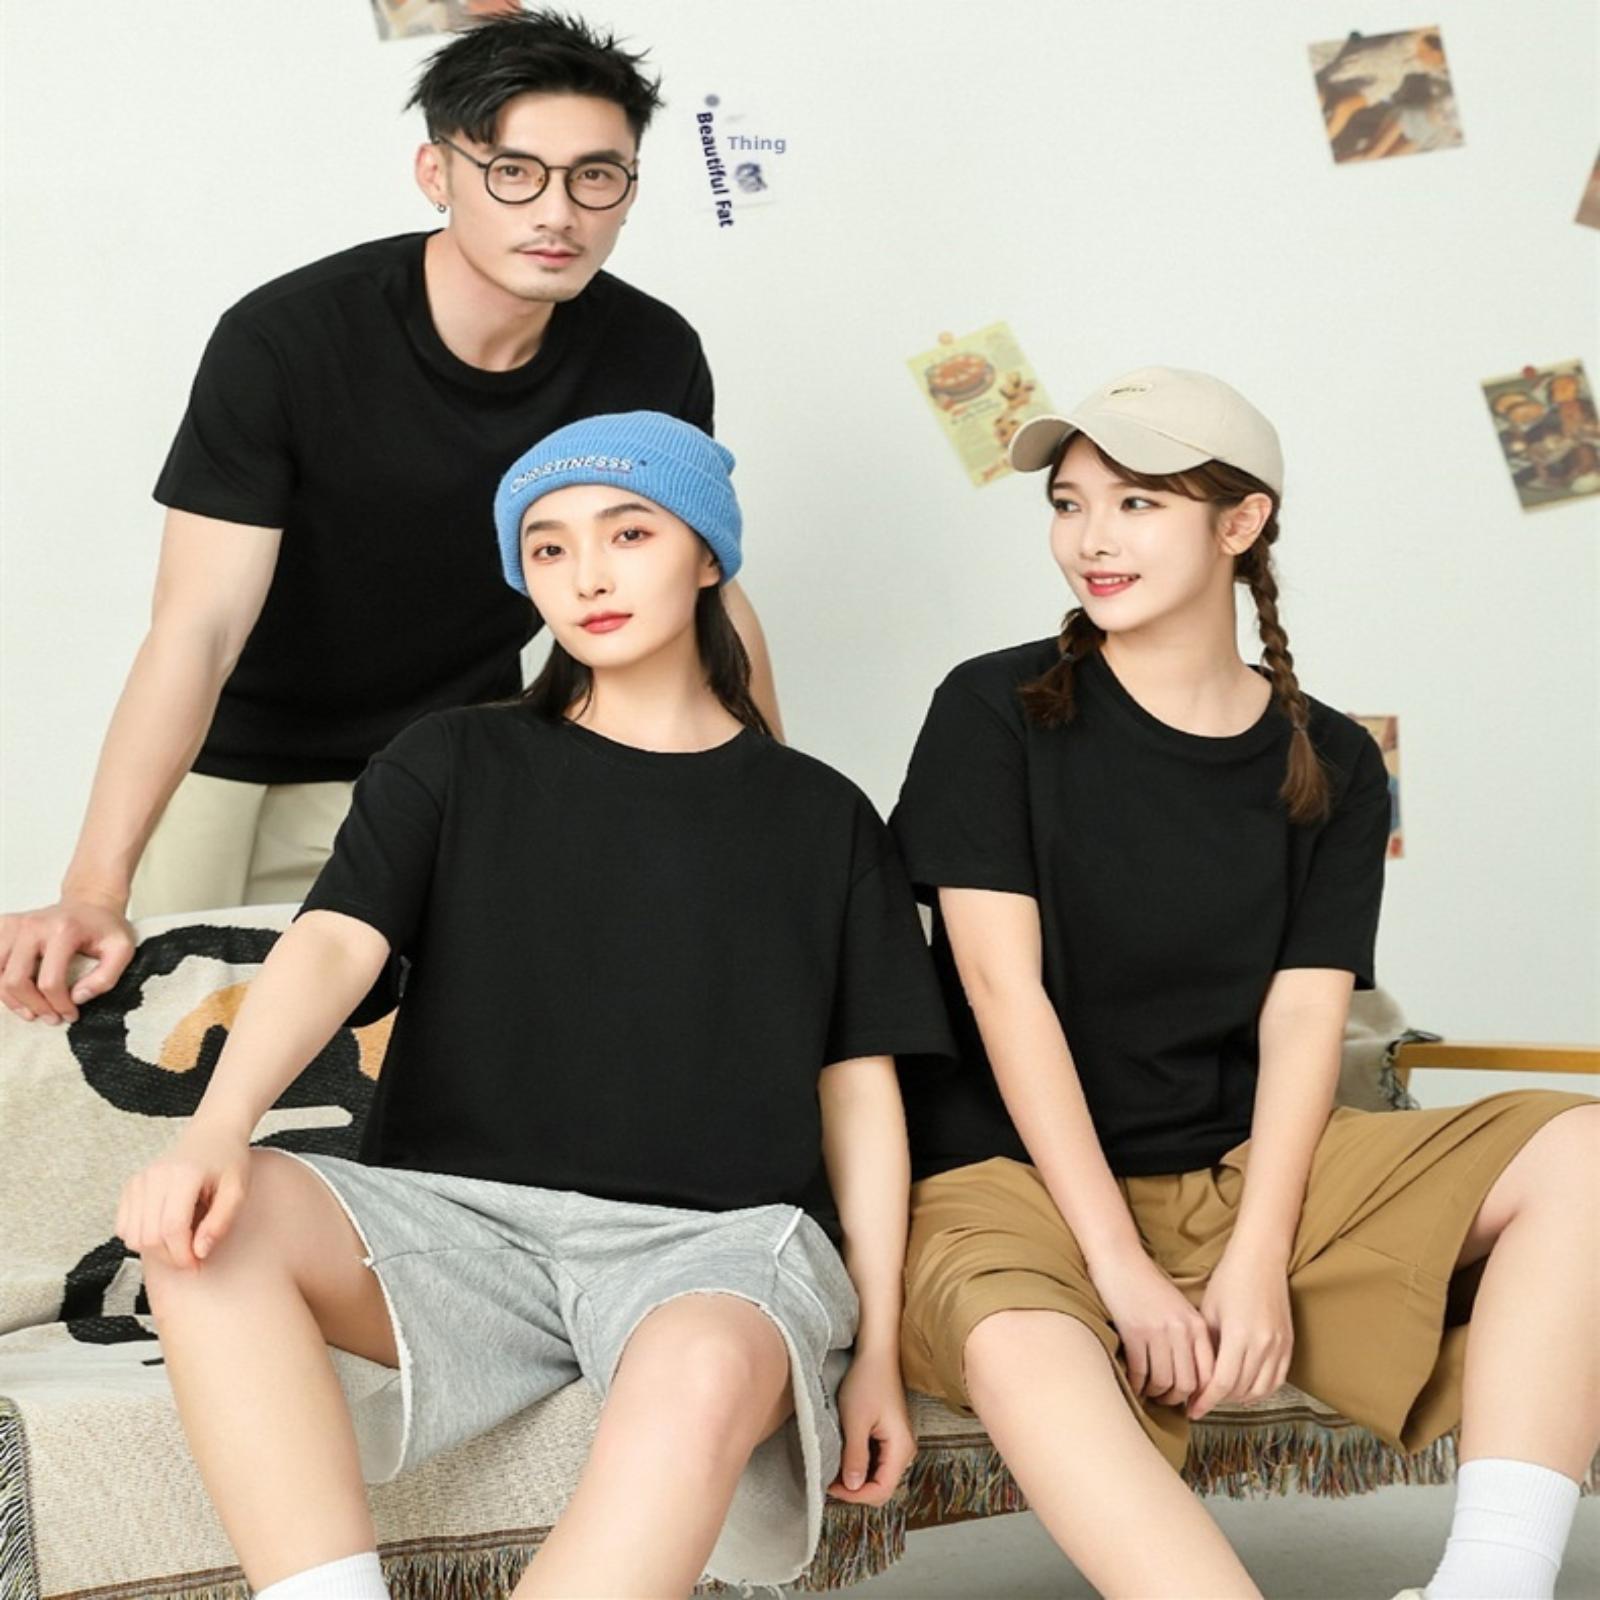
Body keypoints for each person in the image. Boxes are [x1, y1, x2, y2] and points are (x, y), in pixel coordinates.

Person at [115, 411, 954, 1599]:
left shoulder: (822, 816)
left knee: (706, 1365)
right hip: (459, 1226)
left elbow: (858, 1090)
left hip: (714, 1244)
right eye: (548, 548)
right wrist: (214, 1132)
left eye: (629, 533)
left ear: (706, 555)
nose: (587, 575)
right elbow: (333, 942)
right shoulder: (450, 758)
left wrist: (874, 1350)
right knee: (207, 1229)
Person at [888, 366, 1599, 1600]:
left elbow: (1305, 1014)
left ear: (1240, 521)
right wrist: (1119, 1268)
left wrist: (1258, 1257)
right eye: (1068, 503)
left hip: (1238, 1168)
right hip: (1006, 1176)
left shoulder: (1333, 757)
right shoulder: (991, 707)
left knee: (1585, 1151)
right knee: (1019, 1345)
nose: (1091, 538)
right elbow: (1004, 995)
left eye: (1136, 503)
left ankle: (1491, 1583)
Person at [1, 10, 780, 1026]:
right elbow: (199, 626)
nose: (558, 212)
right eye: (514, 172)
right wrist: (94, 885)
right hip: (236, 760)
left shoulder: (650, 354)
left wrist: (775, 811)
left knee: (469, 1037)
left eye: (596, 176)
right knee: (164, 1028)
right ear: (435, 172)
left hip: (458, 750)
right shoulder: (286, 340)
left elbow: (693, 594)